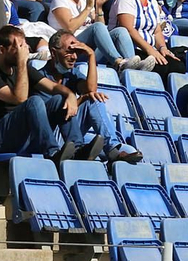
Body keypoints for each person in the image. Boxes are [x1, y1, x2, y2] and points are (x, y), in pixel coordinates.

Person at [0, 26, 79, 160]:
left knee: (59, 99)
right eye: (18, 47)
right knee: (34, 101)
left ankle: (77, 149)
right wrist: (22, 61)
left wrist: (70, 95)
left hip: (20, 134)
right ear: (2, 50)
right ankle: (52, 152)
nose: (25, 50)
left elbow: (52, 87)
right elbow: (20, 99)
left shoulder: (21, 68)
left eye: (24, 46)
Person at [41, 31, 142, 163]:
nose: (74, 57)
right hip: (51, 137)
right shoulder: (40, 78)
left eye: (76, 52)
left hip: (72, 135)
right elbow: (51, 114)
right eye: (69, 51)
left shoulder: (71, 74)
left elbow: (91, 89)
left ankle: (112, 150)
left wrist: (91, 56)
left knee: (94, 98)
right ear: (54, 53)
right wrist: (82, 99)